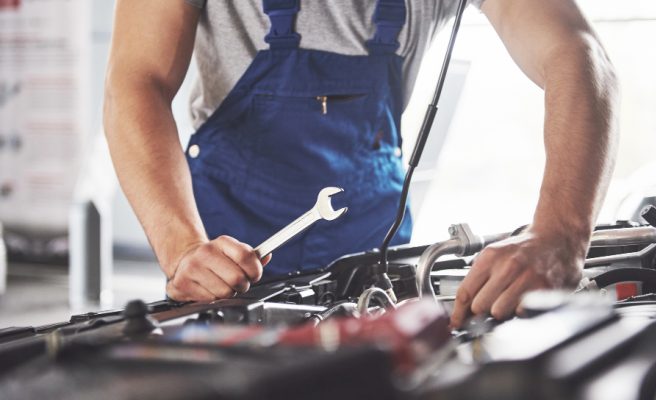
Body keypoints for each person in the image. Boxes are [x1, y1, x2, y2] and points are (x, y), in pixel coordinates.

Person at [103, 0, 618, 326]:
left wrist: (561, 232)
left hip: (371, 243)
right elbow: (136, 83)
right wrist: (181, 248)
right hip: (223, 244)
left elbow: (576, 54)